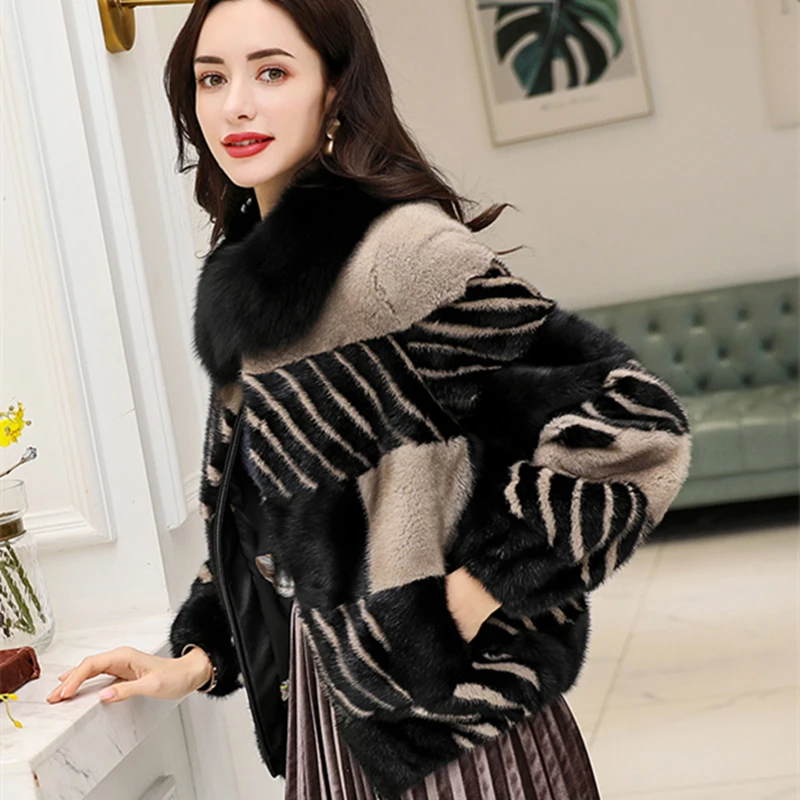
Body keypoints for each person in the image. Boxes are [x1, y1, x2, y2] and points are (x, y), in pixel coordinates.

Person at [47, 1, 693, 798]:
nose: (235, 104)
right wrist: (197, 658)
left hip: (454, 732)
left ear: (334, 89)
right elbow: (268, 522)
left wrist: (460, 604)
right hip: (334, 721)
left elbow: (636, 428)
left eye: (271, 71)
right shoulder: (251, 289)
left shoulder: (399, 254)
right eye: (211, 79)